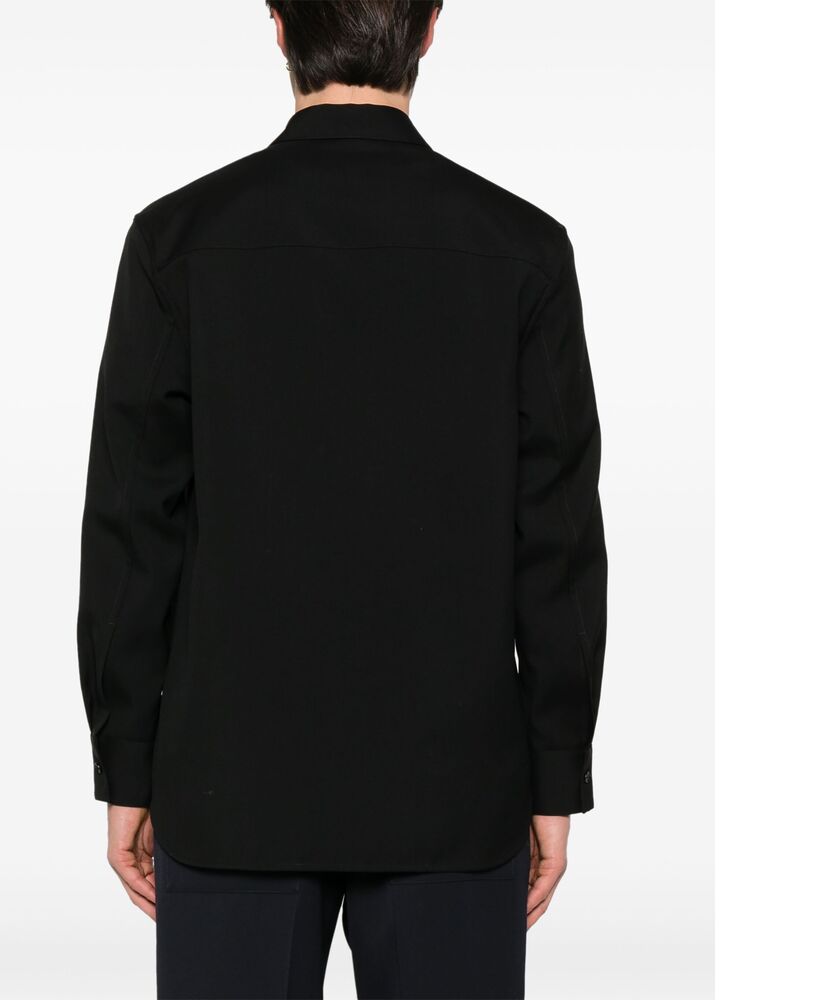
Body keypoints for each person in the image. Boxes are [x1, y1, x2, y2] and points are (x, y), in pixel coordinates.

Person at [77, 2, 607, 997]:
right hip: (455, 794)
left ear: (278, 26)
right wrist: (554, 772)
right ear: (432, 28)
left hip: (231, 788)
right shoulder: (525, 251)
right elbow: (559, 542)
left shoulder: (176, 243)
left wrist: (128, 764)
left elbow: (131, 531)